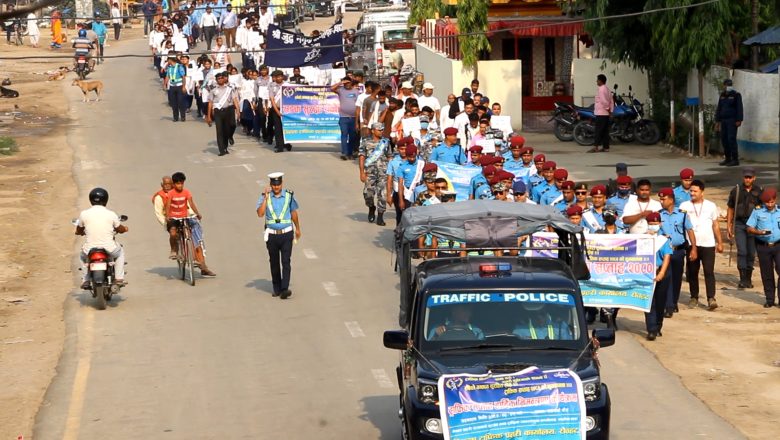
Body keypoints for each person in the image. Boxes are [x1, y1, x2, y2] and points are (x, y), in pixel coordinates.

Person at [679, 180, 724, 311]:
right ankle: (694, 297)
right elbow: (680, 224)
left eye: (695, 191)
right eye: (691, 191)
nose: (692, 193)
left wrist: (720, 242)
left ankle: (711, 298)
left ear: (702, 192)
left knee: (709, 271)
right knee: (693, 272)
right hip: (691, 244)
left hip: (708, 244)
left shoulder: (711, 206)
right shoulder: (684, 206)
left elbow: (715, 225)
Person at [256, 172, 301, 299]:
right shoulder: (264, 197)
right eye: (274, 185)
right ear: (271, 185)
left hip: (286, 234)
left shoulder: (289, 195)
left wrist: (298, 229)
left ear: (282, 184)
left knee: (286, 261)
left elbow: (294, 213)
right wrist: (265, 198)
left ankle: (284, 289)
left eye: (278, 184)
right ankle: (277, 288)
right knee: (274, 262)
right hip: (272, 236)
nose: (276, 187)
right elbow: (260, 214)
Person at [75, 187, 128, 289]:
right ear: (106, 199)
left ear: (91, 199)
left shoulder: (84, 214)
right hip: (109, 248)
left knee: (82, 256)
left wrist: (79, 232)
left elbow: (79, 229)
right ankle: (119, 278)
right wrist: (125, 229)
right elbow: (119, 228)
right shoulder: (111, 214)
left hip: (90, 249)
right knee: (120, 252)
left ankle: (85, 279)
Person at [165, 172, 215, 277]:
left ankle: (198, 260)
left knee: (192, 235)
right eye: (177, 184)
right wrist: (168, 216)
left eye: (181, 183)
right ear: (174, 184)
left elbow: (191, 204)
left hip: (184, 217)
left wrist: (197, 213)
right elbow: (168, 205)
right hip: (174, 218)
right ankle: (174, 250)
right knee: (173, 233)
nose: (180, 186)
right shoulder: (171, 193)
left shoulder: (186, 192)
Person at [657, 187, 697, 318]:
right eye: (660, 199)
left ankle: (674, 302)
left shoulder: (682, 214)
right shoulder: (659, 215)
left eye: (663, 199)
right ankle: (668, 306)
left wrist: (694, 248)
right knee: (667, 278)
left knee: (676, 278)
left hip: (678, 250)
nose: (661, 201)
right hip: (665, 252)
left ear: (671, 200)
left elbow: (689, 230)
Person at [727, 167, 763, 289]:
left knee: (751, 253)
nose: (747, 179)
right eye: (746, 177)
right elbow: (730, 208)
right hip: (739, 224)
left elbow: (763, 210)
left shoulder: (759, 191)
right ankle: (742, 279)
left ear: (754, 178)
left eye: (750, 177)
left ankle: (748, 278)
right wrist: (729, 226)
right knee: (742, 251)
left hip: (753, 225)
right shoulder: (736, 191)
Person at [746, 188, 780, 308]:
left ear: (775, 200)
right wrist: (759, 232)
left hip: (778, 245)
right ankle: (769, 299)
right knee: (767, 274)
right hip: (763, 246)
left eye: (772, 202)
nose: (770, 204)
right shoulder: (757, 211)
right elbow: (749, 227)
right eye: (767, 202)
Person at [644, 212, 673, 340]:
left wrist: (661, 273)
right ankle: (651, 329)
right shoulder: (643, 238)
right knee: (649, 302)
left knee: (660, 301)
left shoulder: (664, 239)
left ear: (660, 224)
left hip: (662, 271)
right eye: (651, 223)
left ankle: (658, 325)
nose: (653, 225)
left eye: (655, 223)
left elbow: (667, 256)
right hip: (647, 272)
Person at [359, 122, 392, 226]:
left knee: (383, 195)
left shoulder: (386, 142)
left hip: (383, 173)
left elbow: (389, 156)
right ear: (373, 131)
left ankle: (380, 216)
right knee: (367, 194)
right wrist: (362, 172)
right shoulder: (365, 141)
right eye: (379, 130)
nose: (381, 131)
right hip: (370, 172)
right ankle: (371, 207)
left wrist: (391, 172)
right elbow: (362, 157)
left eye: (382, 130)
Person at [205, 72, 240, 156]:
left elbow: (235, 99)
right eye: (218, 79)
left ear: (224, 79)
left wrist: (238, 111)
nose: (220, 80)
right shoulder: (213, 90)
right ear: (216, 80)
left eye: (221, 78)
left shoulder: (230, 89)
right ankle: (222, 150)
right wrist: (208, 116)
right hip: (218, 112)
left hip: (228, 110)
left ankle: (227, 141)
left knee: (228, 128)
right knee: (219, 131)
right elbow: (210, 103)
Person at [715, 78, 744, 167]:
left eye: (730, 85)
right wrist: (717, 121)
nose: (728, 87)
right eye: (727, 85)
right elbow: (719, 108)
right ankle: (728, 158)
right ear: (724, 86)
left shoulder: (736, 95)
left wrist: (739, 119)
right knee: (724, 139)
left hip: (732, 121)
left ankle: (735, 159)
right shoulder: (722, 95)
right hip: (723, 120)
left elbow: (739, 108)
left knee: (731, 139)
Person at [332, 77, 360, 160]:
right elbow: (332, 88)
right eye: (345, 83)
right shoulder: (341, 90)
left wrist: (358, 119)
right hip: (343, 117)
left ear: (351, 83)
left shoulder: (356, 91)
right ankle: (344, 153)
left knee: (352, 136)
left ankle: (350, 153)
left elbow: (358, 105)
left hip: (353, 118)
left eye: (348, 83)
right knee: (344, 134)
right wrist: (340, 82)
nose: (347, 84)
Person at [152, 176, 179, 257]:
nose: (167, 186)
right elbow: (159, 213)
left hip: (181, 216)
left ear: (173, 184)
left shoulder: (178, 192)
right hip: (169, 219)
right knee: (173, 233)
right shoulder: (159, 197)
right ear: (162, 185)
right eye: (165, 184)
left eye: (169, 184)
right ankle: (173, 249)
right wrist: (165, 223)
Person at [588, 74, 613, 153]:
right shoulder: (607, 89)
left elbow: (604, 101)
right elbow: (611, 101)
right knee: (605, 131)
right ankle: (606, 147)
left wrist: (608, 109)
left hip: (601, 113)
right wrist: (610, 111)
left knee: (598, 131)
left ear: (601, 81)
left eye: (597, 80)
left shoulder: (601, 89)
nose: (596, 81)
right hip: (605, 114)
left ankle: (596, 147)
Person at [164, 56, 188, 122]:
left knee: (180, 102)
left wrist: (183, 86)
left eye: (168, 60)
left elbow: (183, 77)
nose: (167, 61)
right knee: (173, 103)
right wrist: (165, 84)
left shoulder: (179, 66)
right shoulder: (169, 68)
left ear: (170, 60)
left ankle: (183, 117)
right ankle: (175, 117)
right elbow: (167, 76)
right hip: (172, 87)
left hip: (179, 86)